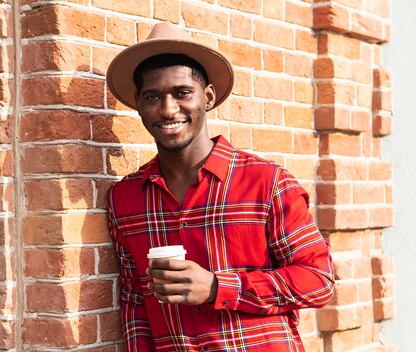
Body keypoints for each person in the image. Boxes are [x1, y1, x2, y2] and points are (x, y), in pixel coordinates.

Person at [105, 22, 335, 351]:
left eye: (182, 93)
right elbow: (136, 303)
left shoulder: (266, 182)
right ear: (139, 104)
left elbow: (318, 281)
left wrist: (217, 287)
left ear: (208, 98)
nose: (169, 109)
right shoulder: (125, 199)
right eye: (153, 96)